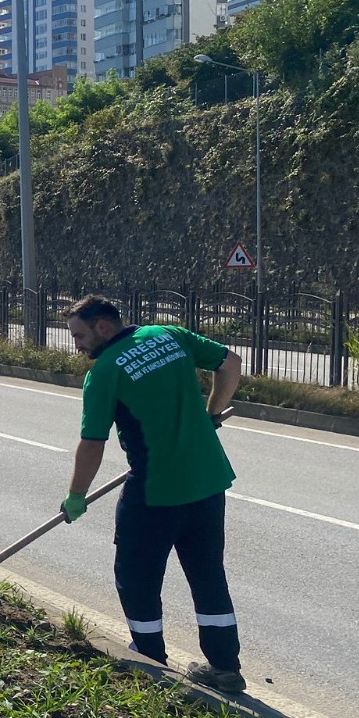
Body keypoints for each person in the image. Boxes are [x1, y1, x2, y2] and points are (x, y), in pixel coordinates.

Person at [60, 295, 246, 693]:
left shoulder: (105, 371)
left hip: (156, 489)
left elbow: (92, 443)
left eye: (78, 335)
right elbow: (231, 364)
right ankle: (225, 667)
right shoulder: (169, 334)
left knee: (137, 576)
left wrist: (77, 494)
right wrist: (212, 413)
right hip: (207, 481)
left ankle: (149, 660)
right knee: (208, 574)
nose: (76, 344)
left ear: (103, 328)